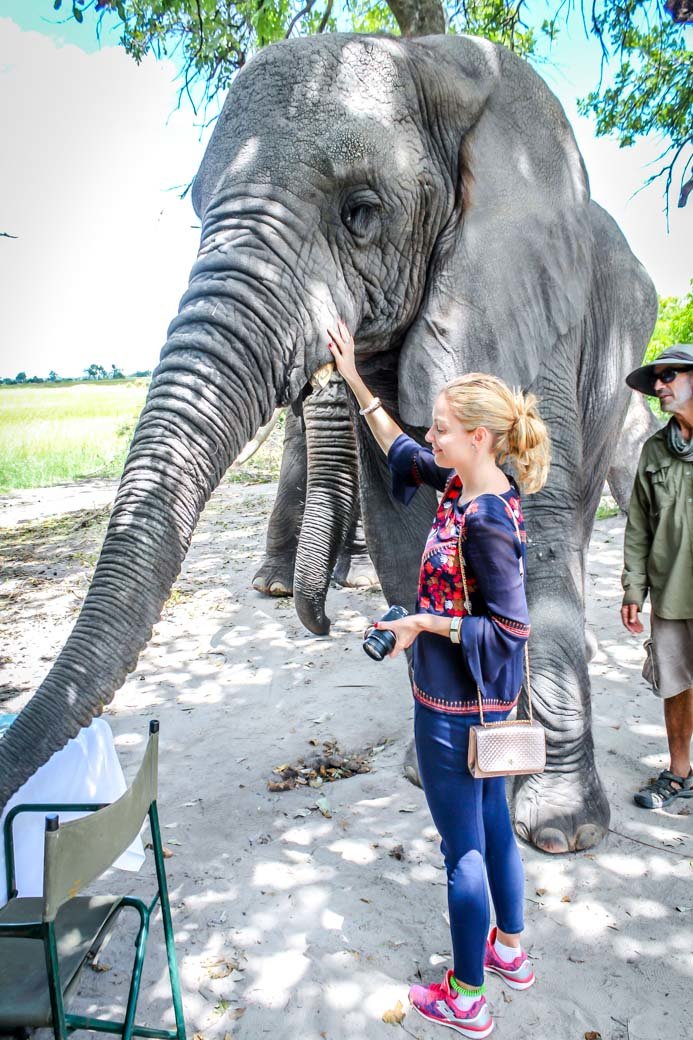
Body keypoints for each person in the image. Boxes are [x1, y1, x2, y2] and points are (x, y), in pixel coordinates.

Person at [327, 320, 550, 1039]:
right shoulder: (468, 482)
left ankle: (465, 996)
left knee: (464, 854)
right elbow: (402, 449)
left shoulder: (484, 517)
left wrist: (424, 625)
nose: (436, 438)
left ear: (480, 438)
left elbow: (511, 630)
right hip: (477, 705)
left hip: (458, 710)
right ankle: (509, 954)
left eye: (447, 429)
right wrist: (355, 378)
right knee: (494, 832)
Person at [621, 342, 693, 810]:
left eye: (669, 376)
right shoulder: (654, 451)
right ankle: (679, 773)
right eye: (657, 380)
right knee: (675, 683)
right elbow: (639, 525)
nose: (659, 387)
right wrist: (633, 588)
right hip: (673, 593)